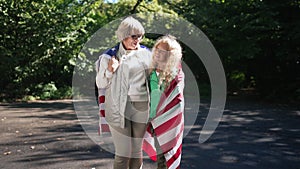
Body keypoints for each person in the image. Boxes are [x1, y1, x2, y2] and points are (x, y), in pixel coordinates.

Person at [95, 16, 151, 169]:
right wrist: (110, 70)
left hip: (141, 107)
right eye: (134, 36)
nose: (138, 40)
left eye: (140, 36)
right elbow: (100, 83)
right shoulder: (109, 56)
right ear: (124, 36)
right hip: (118, 108)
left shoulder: (147, 53)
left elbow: (154, 80)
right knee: (123, 153)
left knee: (137, 151)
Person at [143, 35, 185, 169]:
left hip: (169, 121)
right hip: (156, 121)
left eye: (162, 52)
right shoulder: (153, 72)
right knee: (162, 160)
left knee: (167, 159)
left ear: (170, 55)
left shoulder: (175, 73)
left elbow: (174, 99)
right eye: (156, 50)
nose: (157, 54)